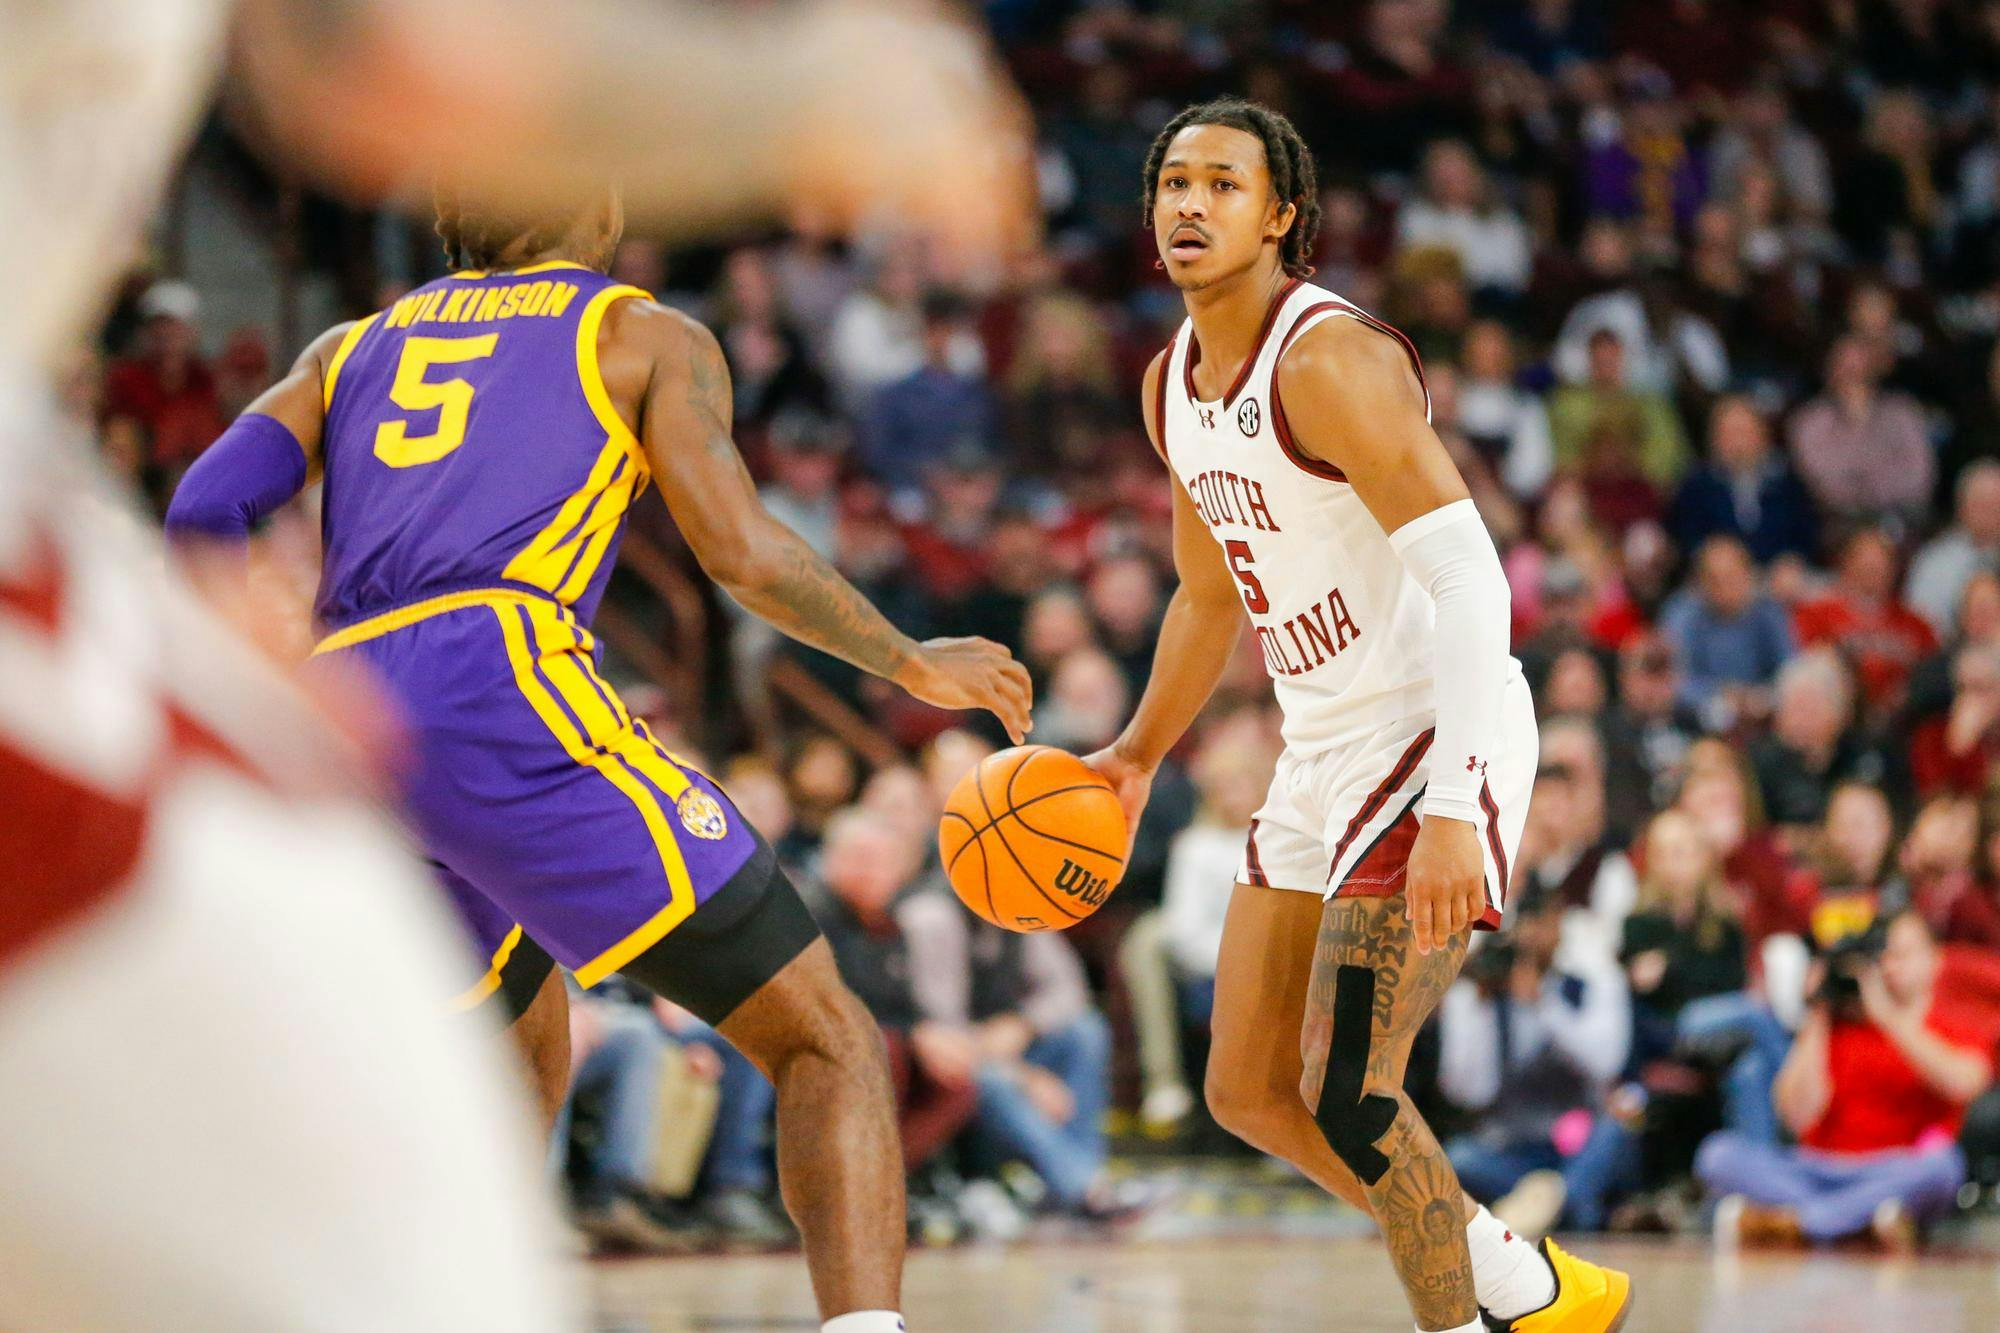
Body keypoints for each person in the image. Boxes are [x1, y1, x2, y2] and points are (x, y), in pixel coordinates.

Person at [166, 186, 1039, 1333]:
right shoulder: (639, 332)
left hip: (349, 715)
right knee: (826, 1035)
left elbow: (200, 509)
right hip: (498, 671)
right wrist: (905, 655)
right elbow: (742, 552)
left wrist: (264, 668)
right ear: (607, 203)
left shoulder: (349, 347)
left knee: (509, 1052)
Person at [1085, 99, 1629, 1333]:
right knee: (1245, 1087)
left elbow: (1474, 581)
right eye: (1172, 181)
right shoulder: (1168, 382)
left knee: (1350, 1093)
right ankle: (1521, 1281)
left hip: (1438, 725)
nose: (1186, 204)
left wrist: (1453, 814)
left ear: (1281, 216)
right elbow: (1205, 591)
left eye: (1221, 185)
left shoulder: (1327, 359)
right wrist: (1132, 753)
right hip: (1321, 740)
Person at [1698, 911, 1992, 1249]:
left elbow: (1966, 1083)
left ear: (1935, 960)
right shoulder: (1838, 1023)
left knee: (1944, 1169)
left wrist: (1890, 1019)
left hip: (1894, 1171)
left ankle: (1797, 1222)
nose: (1890, 966)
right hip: (1816, 1169)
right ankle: (1854, 1223)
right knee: (1716, 1154)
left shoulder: (1955, 1024)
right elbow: (1795, 1114)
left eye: (1902, 954)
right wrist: (1819, 1009)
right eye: (1882, 956)